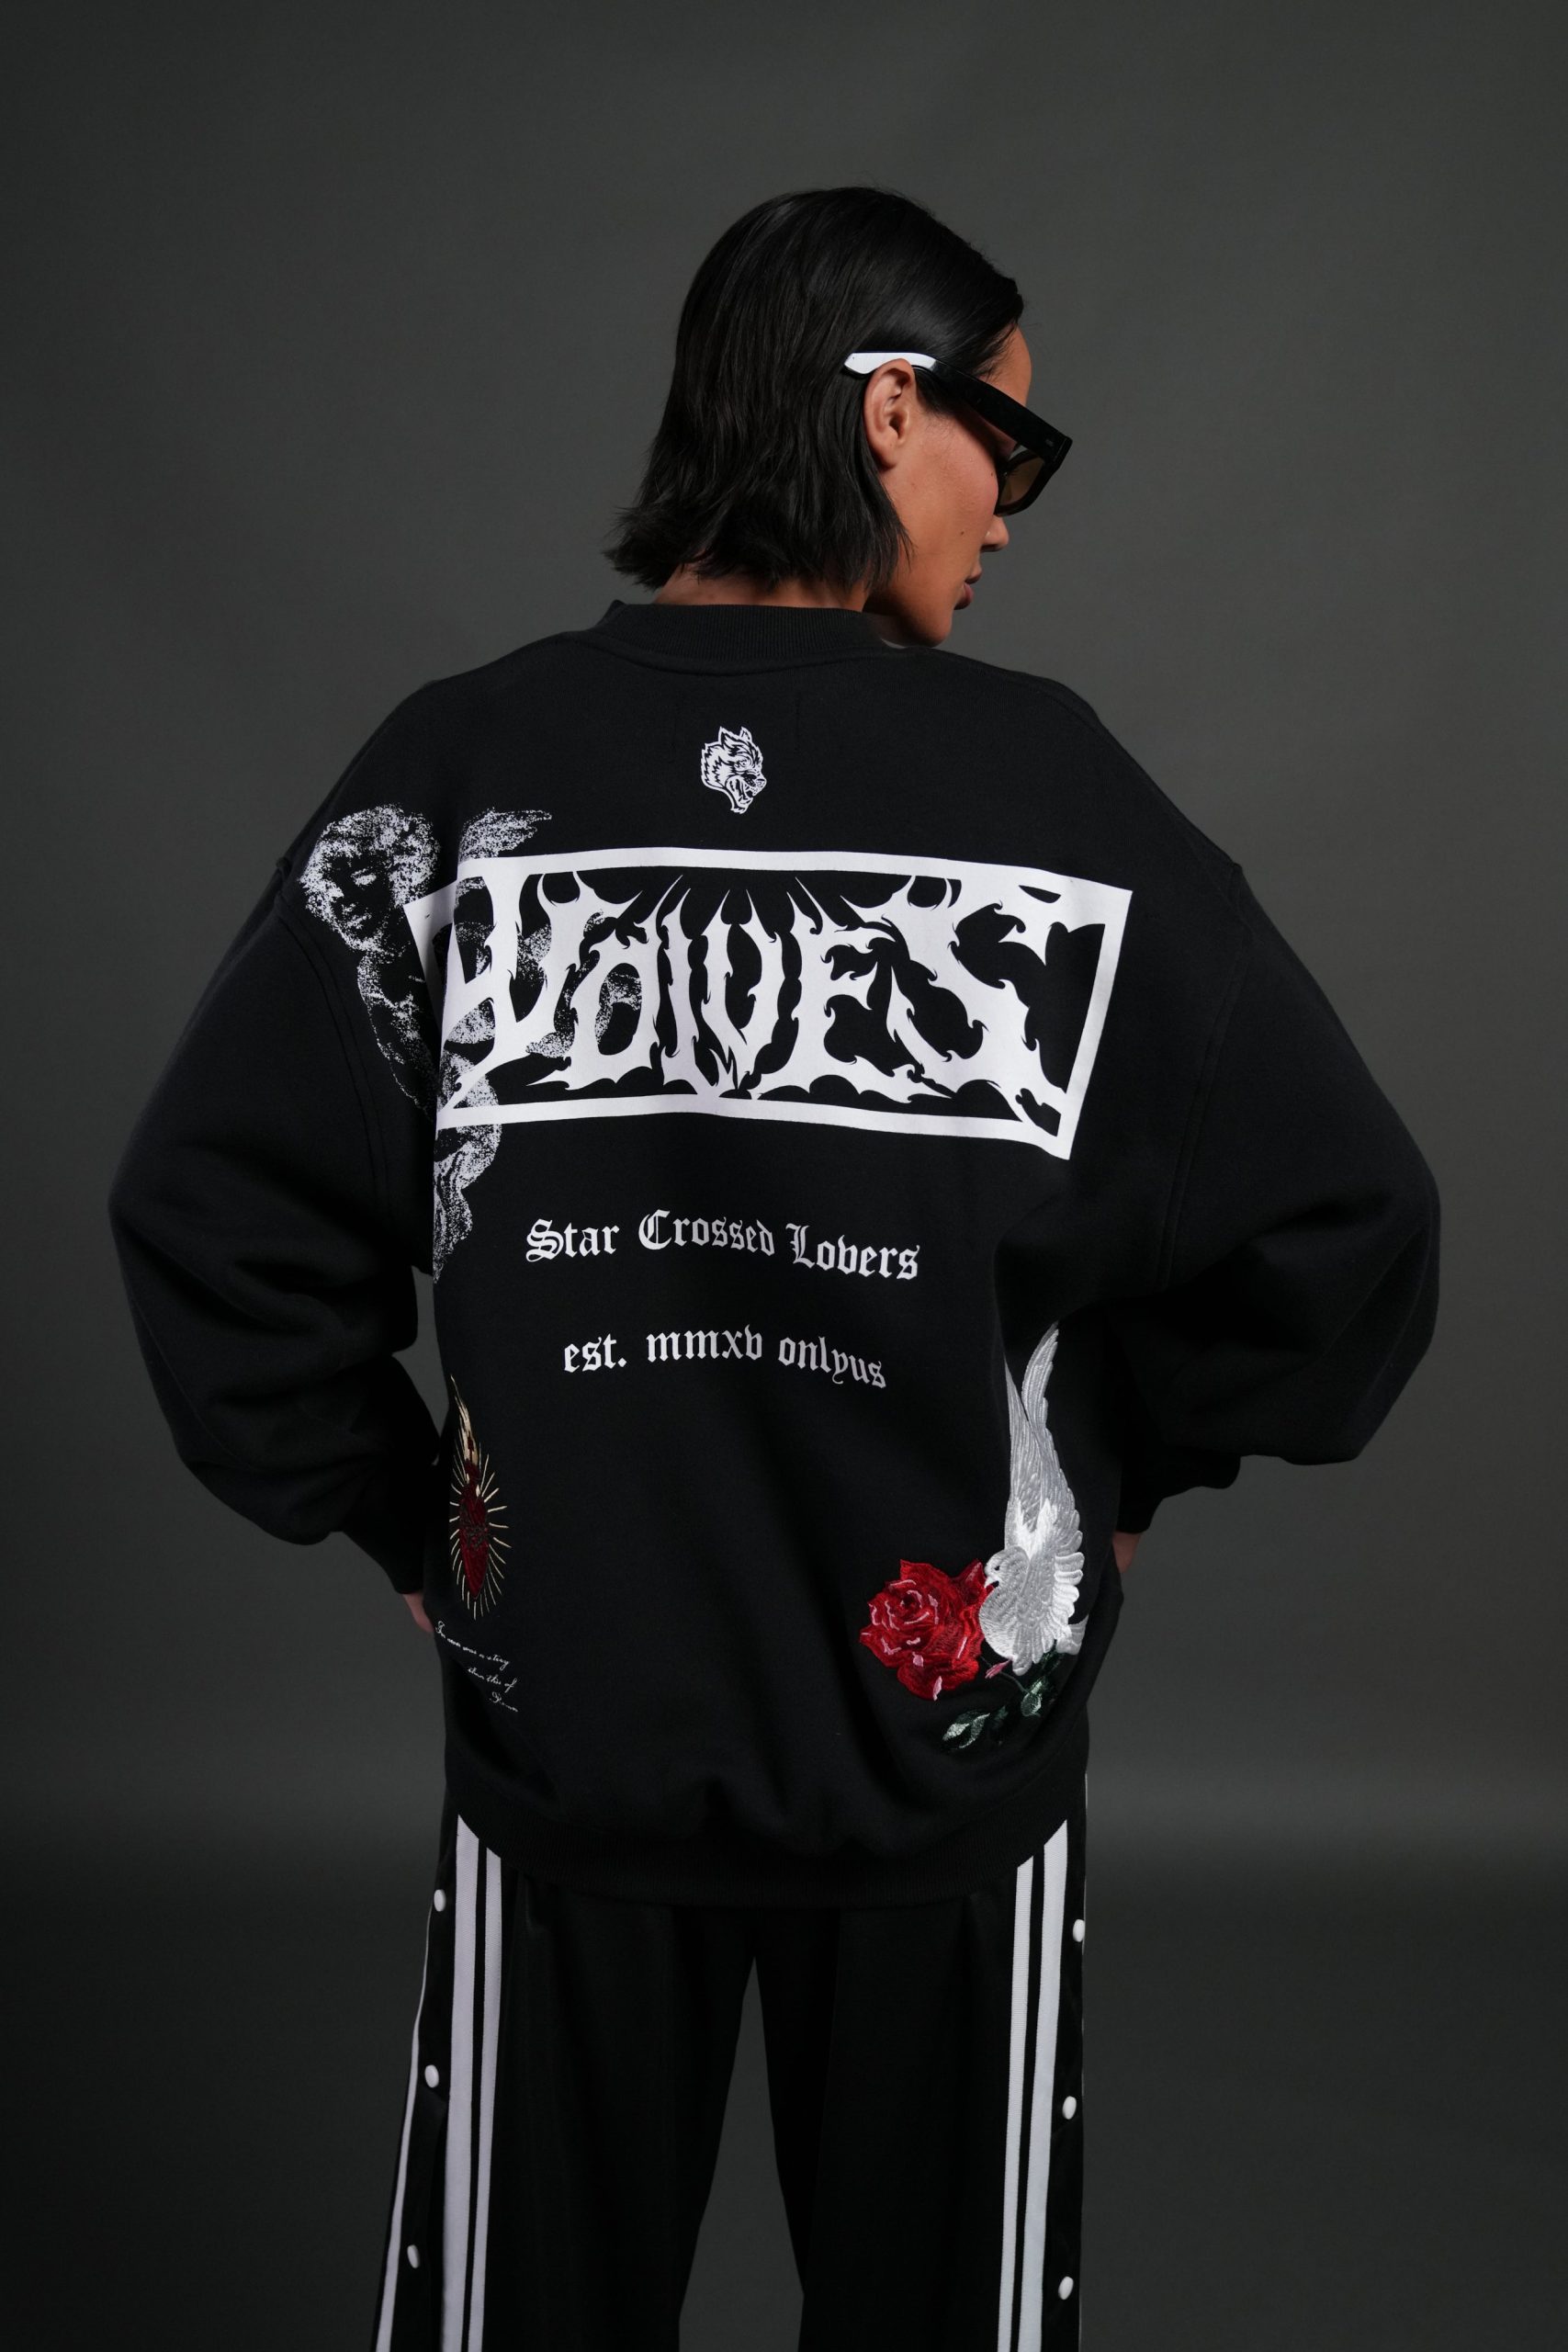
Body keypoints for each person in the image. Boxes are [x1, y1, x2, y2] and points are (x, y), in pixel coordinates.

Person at [107, 184, 1440, 2351]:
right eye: (1009, 443)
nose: (1011, 511)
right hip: (937, 1761)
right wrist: (1116, 1466)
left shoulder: (457, 774)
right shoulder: (1053, 797)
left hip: (576, 1743)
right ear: (886, 408)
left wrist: (408, 1513)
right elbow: (1345, 1222)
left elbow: (208, 1208)